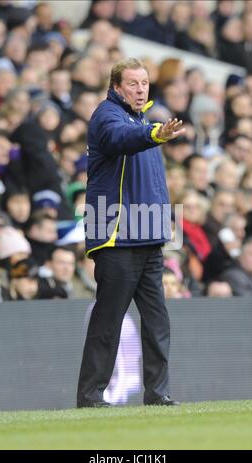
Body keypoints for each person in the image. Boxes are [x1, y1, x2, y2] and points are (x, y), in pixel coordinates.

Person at [77, 58, 186, 408]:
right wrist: (155, 133)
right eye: (133, 84)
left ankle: (157, 393)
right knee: (108, 322)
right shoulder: (108, 116)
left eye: (144, 83)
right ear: (117, 87)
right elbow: (120, 139)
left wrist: (165, 226)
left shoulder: (143, 122)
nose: (141, 90)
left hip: (148, 237)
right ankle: (90, 396)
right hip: (117, 236)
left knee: (157, 323)